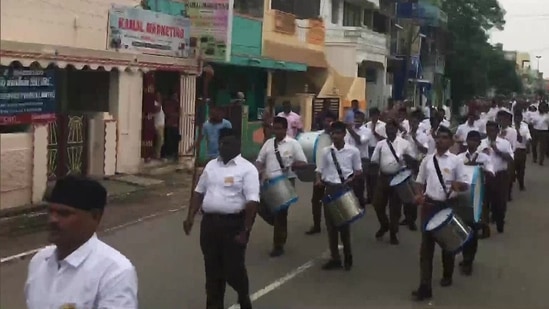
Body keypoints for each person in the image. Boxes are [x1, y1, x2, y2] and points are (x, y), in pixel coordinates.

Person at [25, 176, 138, 309]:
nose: (52, 220)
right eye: (51, 211)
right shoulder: (39, 262)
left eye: (64, 213)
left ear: (95, 217)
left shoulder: (115, 272)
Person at [183, 128, 260, 309]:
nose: (222, 146)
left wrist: (246, 231)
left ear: (237, 145)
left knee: (233, 269)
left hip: (233, 225)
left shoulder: (247, 169)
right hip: (210, 225)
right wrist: (190, 218)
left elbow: (252, 202)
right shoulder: (211, 166)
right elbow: (198, 192)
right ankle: (214, 304)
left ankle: (243, 295)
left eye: (227, 143)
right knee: (212, 269)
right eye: (221, 142)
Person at [411, 126, 469, 301]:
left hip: (447, 206)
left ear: (451, 142)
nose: (440, 140)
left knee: (447, 245)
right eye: (438, 137)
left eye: (445, 138)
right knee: (426, 249)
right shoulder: (427, 160)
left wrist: (458, 186)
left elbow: (465, 184)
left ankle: (447, 274)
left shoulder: (456, 161)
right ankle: (425, 286)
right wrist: (418, 196)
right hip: (429, 206)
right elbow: (419, 182)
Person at [255, 116, 308, 257]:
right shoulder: (268, 144)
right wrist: (257, 173)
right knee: (259, 206)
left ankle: (278, 244)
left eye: (279, 128)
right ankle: (278, 225)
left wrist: (292, 165)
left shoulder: (293, 144)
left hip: (285, 182)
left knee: (280, 213)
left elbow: (303, 162)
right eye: (274, 128)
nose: (276, 131)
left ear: (285, 129)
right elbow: (259, 161)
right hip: (268, 182)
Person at [315, 121, 362, 270]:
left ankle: (348, 256)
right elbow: (319, 169)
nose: (335, 136)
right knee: (331, 226)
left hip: (344, 189)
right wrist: (318, 180)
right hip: (329, 188)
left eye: (338, 133)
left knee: (344, 225)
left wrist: (351, 179)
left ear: (344, 134)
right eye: (333, 133)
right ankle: (335, 258)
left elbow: (358, 171)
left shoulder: (353, 151)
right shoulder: (325, 151)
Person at [370, 119, 415, 244]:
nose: (390, 130)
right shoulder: (380, 144)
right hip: (383, 177)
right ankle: (385, 224)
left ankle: (393, 233)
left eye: (392, 128)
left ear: (396, 129)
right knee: (377, 204)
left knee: (395, 208)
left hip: (398, 178)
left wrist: (407, 160)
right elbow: (374, 161)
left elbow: (412, 160)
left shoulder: (404, 144)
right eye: (388, 128)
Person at [457, 130, 495, 274]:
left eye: (475, 140)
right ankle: (465, 255)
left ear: (479, 143)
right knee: (463, 228)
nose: (472, 142)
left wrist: (480, 169)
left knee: (473, 229)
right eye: (470, 139)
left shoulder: (484, 158)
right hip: (462, 198)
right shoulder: (459, 158)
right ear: (467, 141)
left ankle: (469, 260)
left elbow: (491, 173)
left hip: (477, 198)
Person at [305, 112, 337, 235]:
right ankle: (316, 225)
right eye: (325, 120)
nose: (327, 123)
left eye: (330, 121)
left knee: (332, 200)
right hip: (319, 173)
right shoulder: (319, 136)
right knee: (316, 200)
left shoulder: (339, 137)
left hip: (333, 175)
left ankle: (334, 224)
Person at [480, 121, 514, 234]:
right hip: (486, 176)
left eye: (493, 130)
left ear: (497, 131)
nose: (490, 133)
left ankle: (500, 220)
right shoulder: (481, 143)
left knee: (499, 203)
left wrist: (497, 151)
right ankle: (485, 229)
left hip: (500, 175)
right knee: (484, 202)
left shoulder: (504, 143)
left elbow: (510, 158)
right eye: (488, 130)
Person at [400, 110, 429, 230]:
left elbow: (425, 150)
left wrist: (415, 139)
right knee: (406, 192)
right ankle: (407, 217)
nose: (413, 124)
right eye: (412, 122)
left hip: (415, 164)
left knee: (414, 192)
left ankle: (413, 219)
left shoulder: (423, 135)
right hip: (405, 163)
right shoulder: (405, 134)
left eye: (416, 122)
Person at [344, 111, 372, 208]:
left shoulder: (367, 131)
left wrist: (351, 130)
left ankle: (360, 200)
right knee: (349, 181)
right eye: (355, 119)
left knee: (359, 182)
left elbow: (360, 141)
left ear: (363, 120)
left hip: (362, 159)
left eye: (359, 119)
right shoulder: (348, 131)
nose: (356, 121)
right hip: (349, 159)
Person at [364, 107, 387, 204]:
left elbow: (385, 139)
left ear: (378, 115)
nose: (374, 117)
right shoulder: (366, 125)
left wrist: (375, 133)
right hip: (368, 149)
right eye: (372, 115)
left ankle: (375, 196)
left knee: (375, 176)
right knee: (368, 176)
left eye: (375, 115)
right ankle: (369, 196)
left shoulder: (383, 125)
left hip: (378, 149)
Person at [154, 92, 165, 159]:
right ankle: (157, 155)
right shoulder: (155, 103)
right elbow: (157, 110)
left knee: (161, 141)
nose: (160, 97)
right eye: (158, 96)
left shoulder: (158, 104)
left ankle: (158, 154)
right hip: (157, 125)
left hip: (161, 124)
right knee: (159, 140)